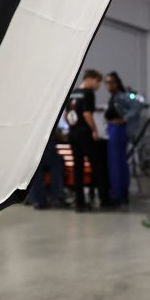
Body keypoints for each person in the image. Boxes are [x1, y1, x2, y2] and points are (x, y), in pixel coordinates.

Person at [65, 69, 109, 211]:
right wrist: (95, 130)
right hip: (85, 133)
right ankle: (104, 199)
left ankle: (80, 203)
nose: (98, 86)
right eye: (97, 82)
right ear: (90, 79)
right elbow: (87, 114)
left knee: (78, 168)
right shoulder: (88, 94)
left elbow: (67, 115)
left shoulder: (72, 93)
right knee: (97, 166)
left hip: (73, 133)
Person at [104, 71, 140, 205]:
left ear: (117, 82)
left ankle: (118, 194)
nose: (108, 86)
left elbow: (138, 103)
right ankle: (120, 192)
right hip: (112, 128)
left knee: (116, 163)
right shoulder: (113, 97)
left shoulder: (123, 95)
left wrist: (125, 119)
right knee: (118, 162)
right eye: (106, 83)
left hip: (119, 130)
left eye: (111, 82)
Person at [28, 127, 66, 209]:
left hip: (35, 153)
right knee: (57, 164)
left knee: (36, 172)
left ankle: (37, 200)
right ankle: (56, 196)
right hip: (48, 151)